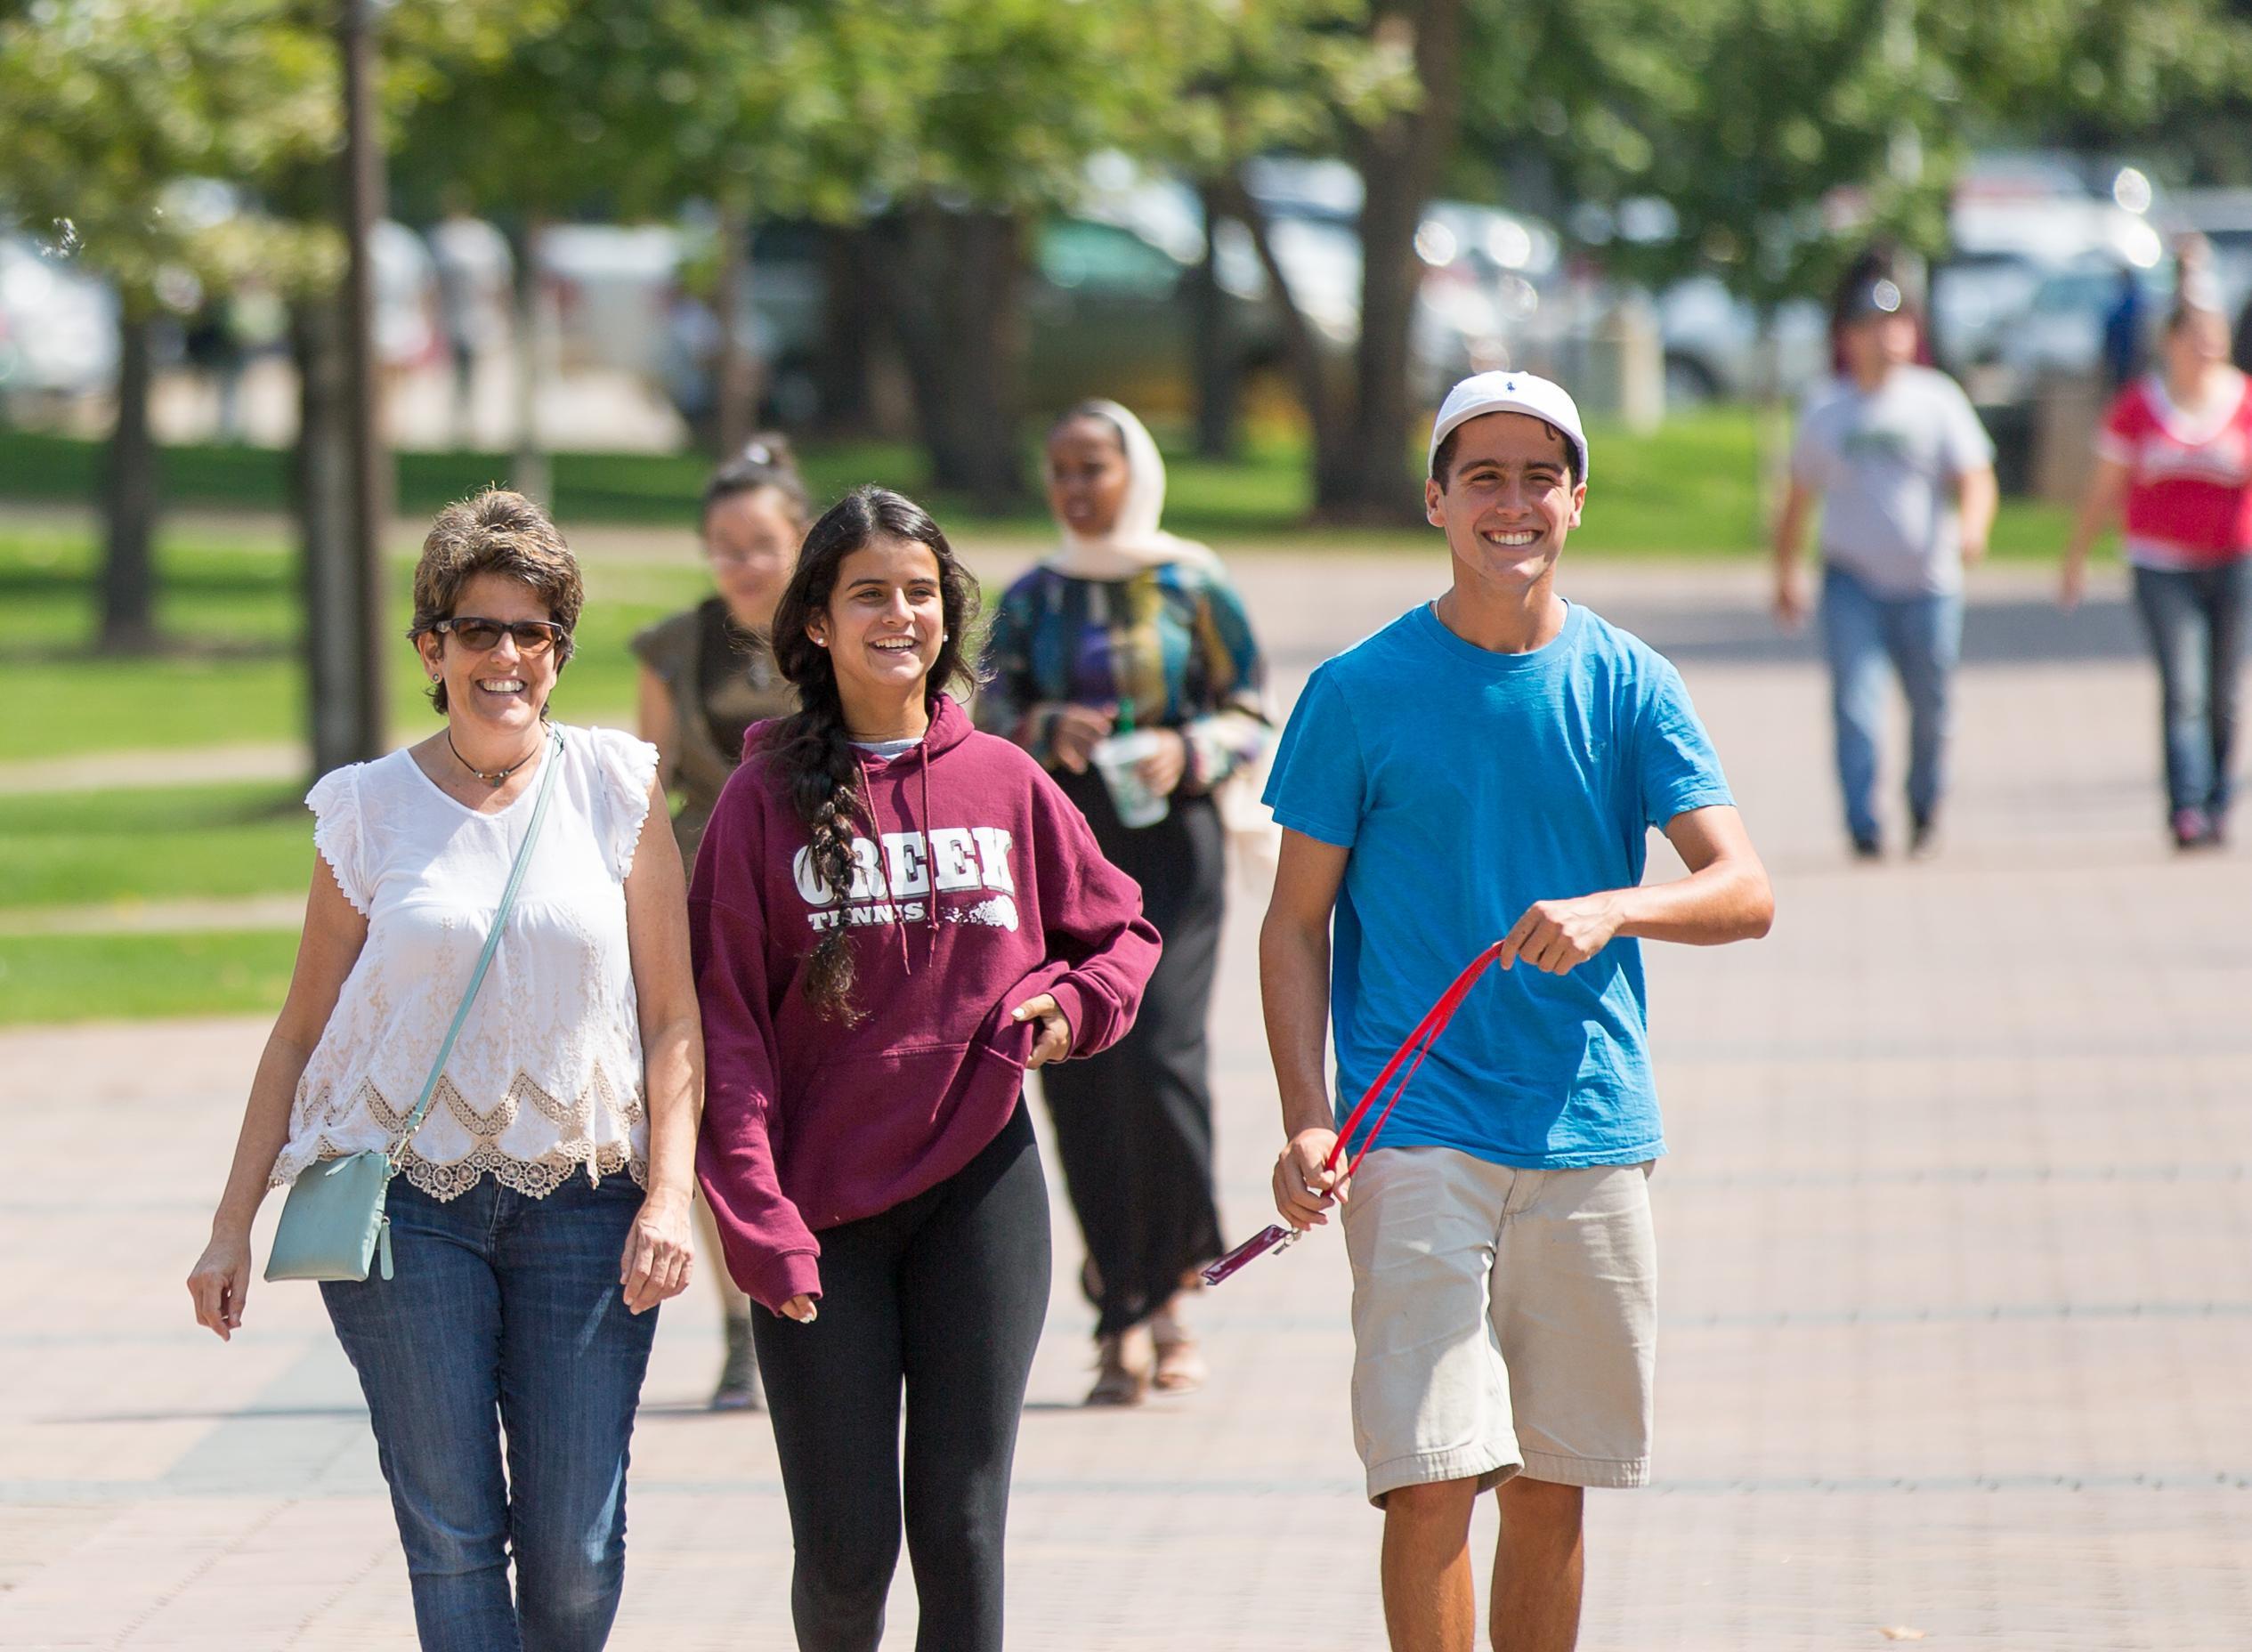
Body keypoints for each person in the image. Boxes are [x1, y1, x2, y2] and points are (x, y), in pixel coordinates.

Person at [1260, 372, 1773, 1652]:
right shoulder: (1357, 690)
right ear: (1434, 500)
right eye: (1480, 475)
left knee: (1553, 1484)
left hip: (1589, 1125)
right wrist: (1305, 1121)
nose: (1511, 502)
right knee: (1430, 1472)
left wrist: (1616, 907)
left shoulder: (1627, 682)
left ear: (1577, 501)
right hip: (1415, 1126)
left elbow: (1744, 889)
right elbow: (1292, 925)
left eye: (1538, 475)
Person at [185, 490, 702, 1648]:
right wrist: (230, 1225)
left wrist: (669, 1192)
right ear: (432, 647)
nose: (506, 656)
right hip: (400, 1213)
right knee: (454, 1532)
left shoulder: (616, 788)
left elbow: (673, 1016)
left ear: (561, 653)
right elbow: (299, 1030)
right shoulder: (366, 811)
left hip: (586, 1204)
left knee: (574, 1551)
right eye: (480, 630)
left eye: (533, 633)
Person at [692, 484, 1161, 1652]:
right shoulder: (757, 804)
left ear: (948, 616)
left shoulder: (1003, 782)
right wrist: (755, 1218)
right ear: (814, 622)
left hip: (979, 1197)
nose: (898, 613)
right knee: (847, 1558)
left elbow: (1120, 934)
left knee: (960, 1533)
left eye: (919, 593)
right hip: (819, 1216)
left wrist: (1067, 1006)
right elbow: (726, 1034)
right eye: (868, 595)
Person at [977, 399, 1269, 1405]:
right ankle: (1118, 1312)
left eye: (1093, 466)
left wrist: (1187, 747)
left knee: (1157, 1058)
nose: (1075, 487)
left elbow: (1251, 710)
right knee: (1078, 1073)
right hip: (1061, 847)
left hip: (1173, 848)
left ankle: (1175, 1284)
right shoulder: (1030, 598)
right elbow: (982, 710)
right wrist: (1039, 721)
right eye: (1059, 469)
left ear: (1134, 471)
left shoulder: (1192, 584)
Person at [633, 435, 811, 1407]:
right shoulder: (673, 645)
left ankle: (823, 1299)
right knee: (711, 1116)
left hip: (824, 899)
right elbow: (645, 785)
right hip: (708, 898)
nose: (741, 562)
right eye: (723, 544)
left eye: (760, 541)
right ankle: (743, 1323)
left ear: (801, 540)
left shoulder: (834, 633)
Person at [1774, 258, 1997, 860]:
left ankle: (1924, 804)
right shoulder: (1826, 409)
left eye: (1899, 324)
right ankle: (1862, 822)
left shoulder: (1937, 400)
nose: (1889, 337)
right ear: (1849, 337)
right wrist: (1786, 573)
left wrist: (1972, 530)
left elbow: (1976, 477)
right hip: (1853, 582)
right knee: (1856, 705)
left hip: (1928, 583)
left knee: (1932, 705)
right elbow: (1797, 499)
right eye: (1874, 325)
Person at [2062, 279, 2252, 848]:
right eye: (2196, 339)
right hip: (2161, 566)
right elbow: (2103, 489)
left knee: (2226, 692)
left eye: (2215, 339)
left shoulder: (2243, 401)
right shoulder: (2140, 406)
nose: (2207, 350)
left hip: (2234, 562)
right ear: (2170, 343)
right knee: (2183, 686)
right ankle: (2185, 807)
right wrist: (2076, 556)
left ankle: (2219, 797)